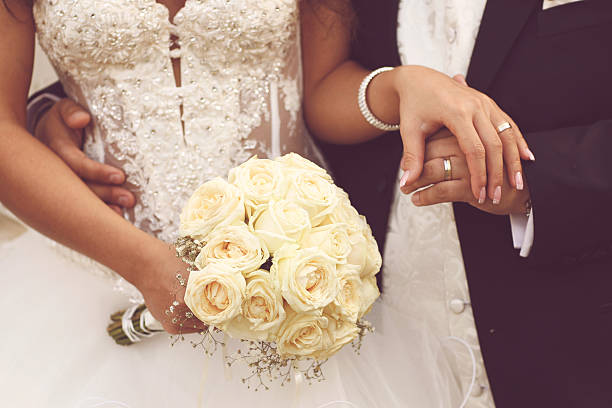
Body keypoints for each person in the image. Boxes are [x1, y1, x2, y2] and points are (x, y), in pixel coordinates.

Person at [0, 1, 529, 407]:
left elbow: (319, 91)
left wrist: (401, 86)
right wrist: (140, 262)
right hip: (94, 277)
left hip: (288, 276)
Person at [304, 1, 612, 407]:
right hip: (380, 324)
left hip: (567, 331)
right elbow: (324, 84)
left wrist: (532, 180)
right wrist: (396, 87)